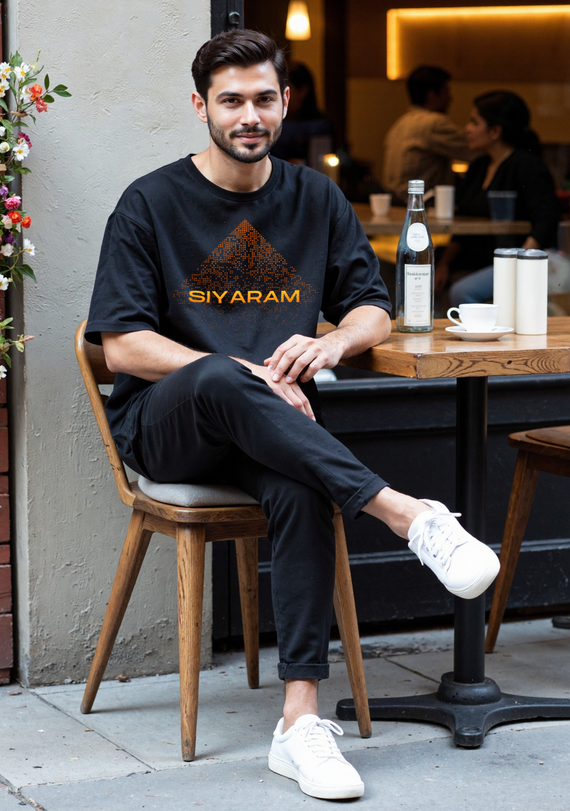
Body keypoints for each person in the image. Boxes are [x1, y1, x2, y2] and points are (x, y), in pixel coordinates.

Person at [86, 30, 499, 801]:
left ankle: (298, 724)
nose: (250, 115)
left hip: (273, 433)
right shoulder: (151, 201)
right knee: (219, 376)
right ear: (201, 106)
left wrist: (333, 338)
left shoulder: (313, 197)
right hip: (169, 427)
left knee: (303, 481)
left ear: (285, 102)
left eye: (264, 99)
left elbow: (374, 308)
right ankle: (407, 515)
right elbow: (123, 346)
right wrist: (242, 368)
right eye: (232, 100)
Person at [442, 91, 561, 305]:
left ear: (495, 131)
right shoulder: (478, 167)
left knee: (461, 292)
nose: (466, 129)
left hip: (515, 259)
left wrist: (520, 262)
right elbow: (462, 227)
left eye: (474, 122)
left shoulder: (528, 166)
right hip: (476, 259)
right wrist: (443, 264)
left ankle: (486, 336)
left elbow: (547, 218)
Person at [382, 65, 472, 200]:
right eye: (446, 92)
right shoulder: (434, 123)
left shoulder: (400, 123)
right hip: (419, 204)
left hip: (395, 201)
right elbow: (474, 147)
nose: (450, 98)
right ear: (432, 95)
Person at [271, 61, 333, 165]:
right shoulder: (274, 120)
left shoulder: (320, 126)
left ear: (302, 91)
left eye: (285, 89)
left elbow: (320, 166)